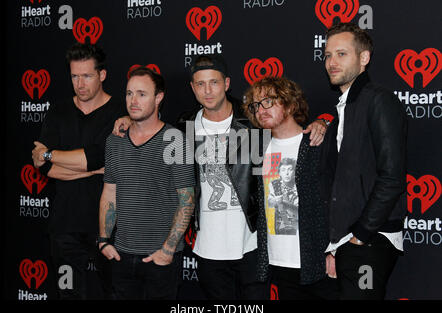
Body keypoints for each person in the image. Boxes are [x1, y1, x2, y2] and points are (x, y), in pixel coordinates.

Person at [113, 54, 326, 300]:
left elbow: (288, 129)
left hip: (252, 246)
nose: (207, 90)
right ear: (192, 88)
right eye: (200, 84)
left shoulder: (252, 122)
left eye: (213, 82)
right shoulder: (184, 126)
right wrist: (131, 118)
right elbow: (152, 124)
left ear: (226, 84)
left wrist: (321, 124)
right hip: (207, 249)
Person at [31, 42, 127, 299]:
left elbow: (98, 157)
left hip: (110, 226)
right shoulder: (59, 111)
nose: (80, 84)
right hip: (65, 227)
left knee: (115, 293)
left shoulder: (120, 112)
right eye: (74, 76)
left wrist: (52, 155)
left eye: (86, 76)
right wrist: (94, 169)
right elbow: (47, 169)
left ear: (102, 75)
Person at [322, 22, 407, 300]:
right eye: (327, 55)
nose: (332, 62)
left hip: (370, 241)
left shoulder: (379, 100)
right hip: (349, 242)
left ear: (364, 58)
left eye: (341, 54)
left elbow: (392, 177)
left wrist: (361, 236)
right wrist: (336, 245)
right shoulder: (343, 109)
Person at [98, 66, 196, 300]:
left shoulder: (174, 139)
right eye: (129, 93)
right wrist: (103, 240)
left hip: (159, 259)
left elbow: (187, 199)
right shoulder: (115, 140)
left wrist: (168, 250)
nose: (133, 100)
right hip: (121, 255)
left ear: (158, 97)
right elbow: (109, 192)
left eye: (142, 94)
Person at [243, 76, 339, 300]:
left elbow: (339, 198)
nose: (261, 109)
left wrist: (335, 249)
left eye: (269, 101)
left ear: (290, 103)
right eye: (256, 105)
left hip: (318, 261)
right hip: (278, 262)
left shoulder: (316, 144)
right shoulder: (258, 148)